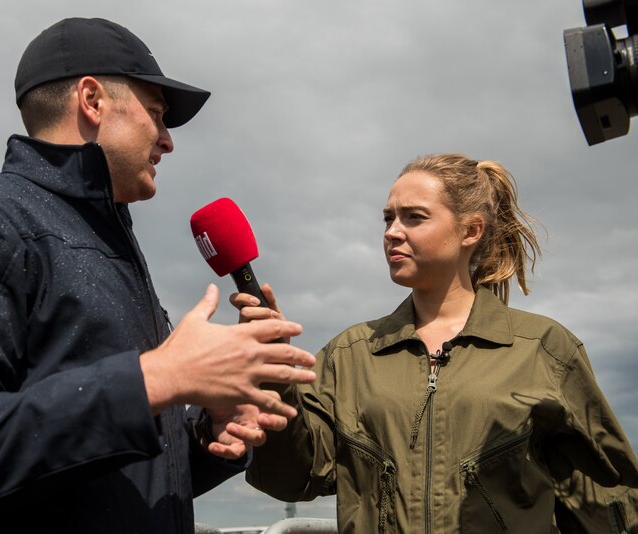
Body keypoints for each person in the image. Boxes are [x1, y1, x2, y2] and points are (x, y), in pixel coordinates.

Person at [0, 17, 317, 534]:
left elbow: (103, 486)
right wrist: (157, 378)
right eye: (157, 113)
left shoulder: (114, 252)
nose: (167, 141)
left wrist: (206, 433)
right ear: (92, 100)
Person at [230, 153, 638, 532]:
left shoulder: (543, 348)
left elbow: (610, 499)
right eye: (388, 218)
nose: (392, 232)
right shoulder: (349, 356)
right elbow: (291, 479)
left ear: (471, 230)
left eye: (414, 218)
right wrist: (276, 375)